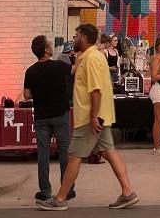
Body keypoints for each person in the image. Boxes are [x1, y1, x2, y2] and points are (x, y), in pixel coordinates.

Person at [37, 23, 138, 210]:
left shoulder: (91, 59)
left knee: (74, 156)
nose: (74, 39)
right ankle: (127, 192)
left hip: (90, 118)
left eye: (76, 36)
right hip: (103, 116)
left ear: (84, 37)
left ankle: (59, 199)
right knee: (110, 152)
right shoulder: (94, 56)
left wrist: (92, 117)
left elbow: (95, 90)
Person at [24, 35, 75, 201]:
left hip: (41, 117)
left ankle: (45, 191)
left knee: (43, 155)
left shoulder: (30, 71)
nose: (52, 46)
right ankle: (67, 189)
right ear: (46, 50)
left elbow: (26, 95)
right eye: (50, 45)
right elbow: (75, 70)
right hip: (60, 114)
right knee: (64, 153)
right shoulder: (59, 66)